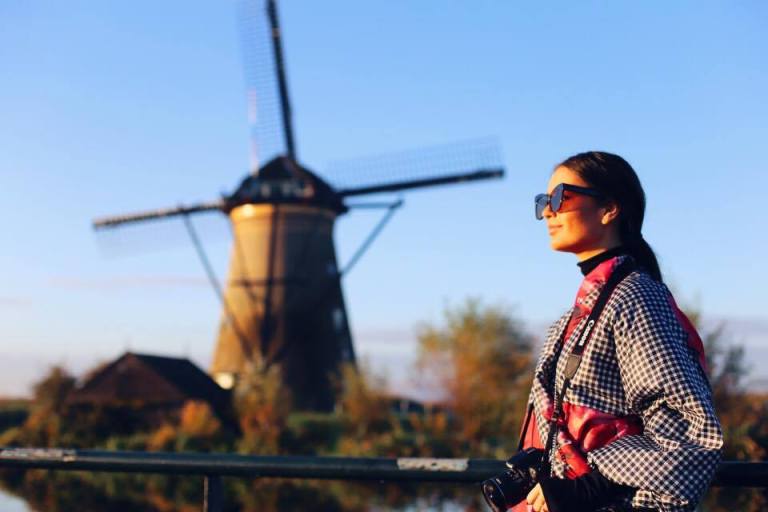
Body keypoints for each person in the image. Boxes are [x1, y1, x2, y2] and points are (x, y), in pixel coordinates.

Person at [517, 152, 722, 512]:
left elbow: (690, 430)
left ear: (610, 208)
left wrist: (589, 487)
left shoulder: (635, 296)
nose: (548, 211)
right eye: (542, 202)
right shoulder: (573, 319)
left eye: (560, 197)